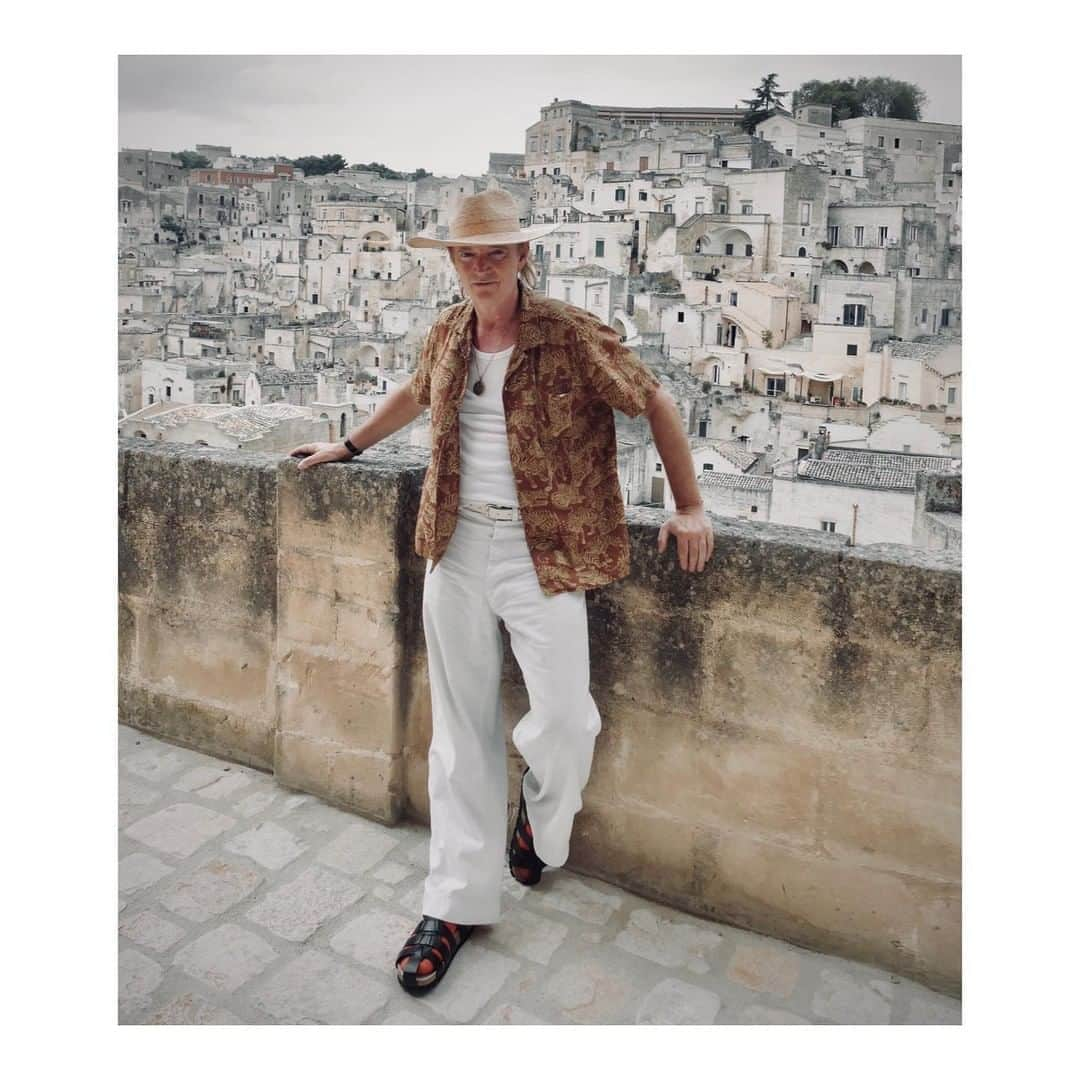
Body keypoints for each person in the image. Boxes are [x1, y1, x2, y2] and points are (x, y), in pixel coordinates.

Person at [289, 189, 713, 995]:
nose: (480, 266)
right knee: (460, 735)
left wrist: (689, 504)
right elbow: (418, 392)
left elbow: (652, 398)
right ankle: (454, 903)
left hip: (543, 550)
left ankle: (540, 824)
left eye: (495, 252)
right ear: (451, 262)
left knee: (563, 719)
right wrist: (348, 443)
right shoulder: (449, 329)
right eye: (466, 254)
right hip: (453, 543)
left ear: (525, 257)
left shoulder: (568, 332)